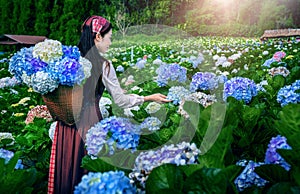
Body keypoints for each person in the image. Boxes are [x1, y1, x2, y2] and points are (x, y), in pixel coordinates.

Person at [47, 15, 170, 194]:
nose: (110, 42)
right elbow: (120, 100)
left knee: (66, 165)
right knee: (88, 169)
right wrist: (148, 98)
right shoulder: (103, 65)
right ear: (98, 36)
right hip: (88, 122)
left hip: (65, 123)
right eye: (109, 37)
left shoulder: (66, 61)